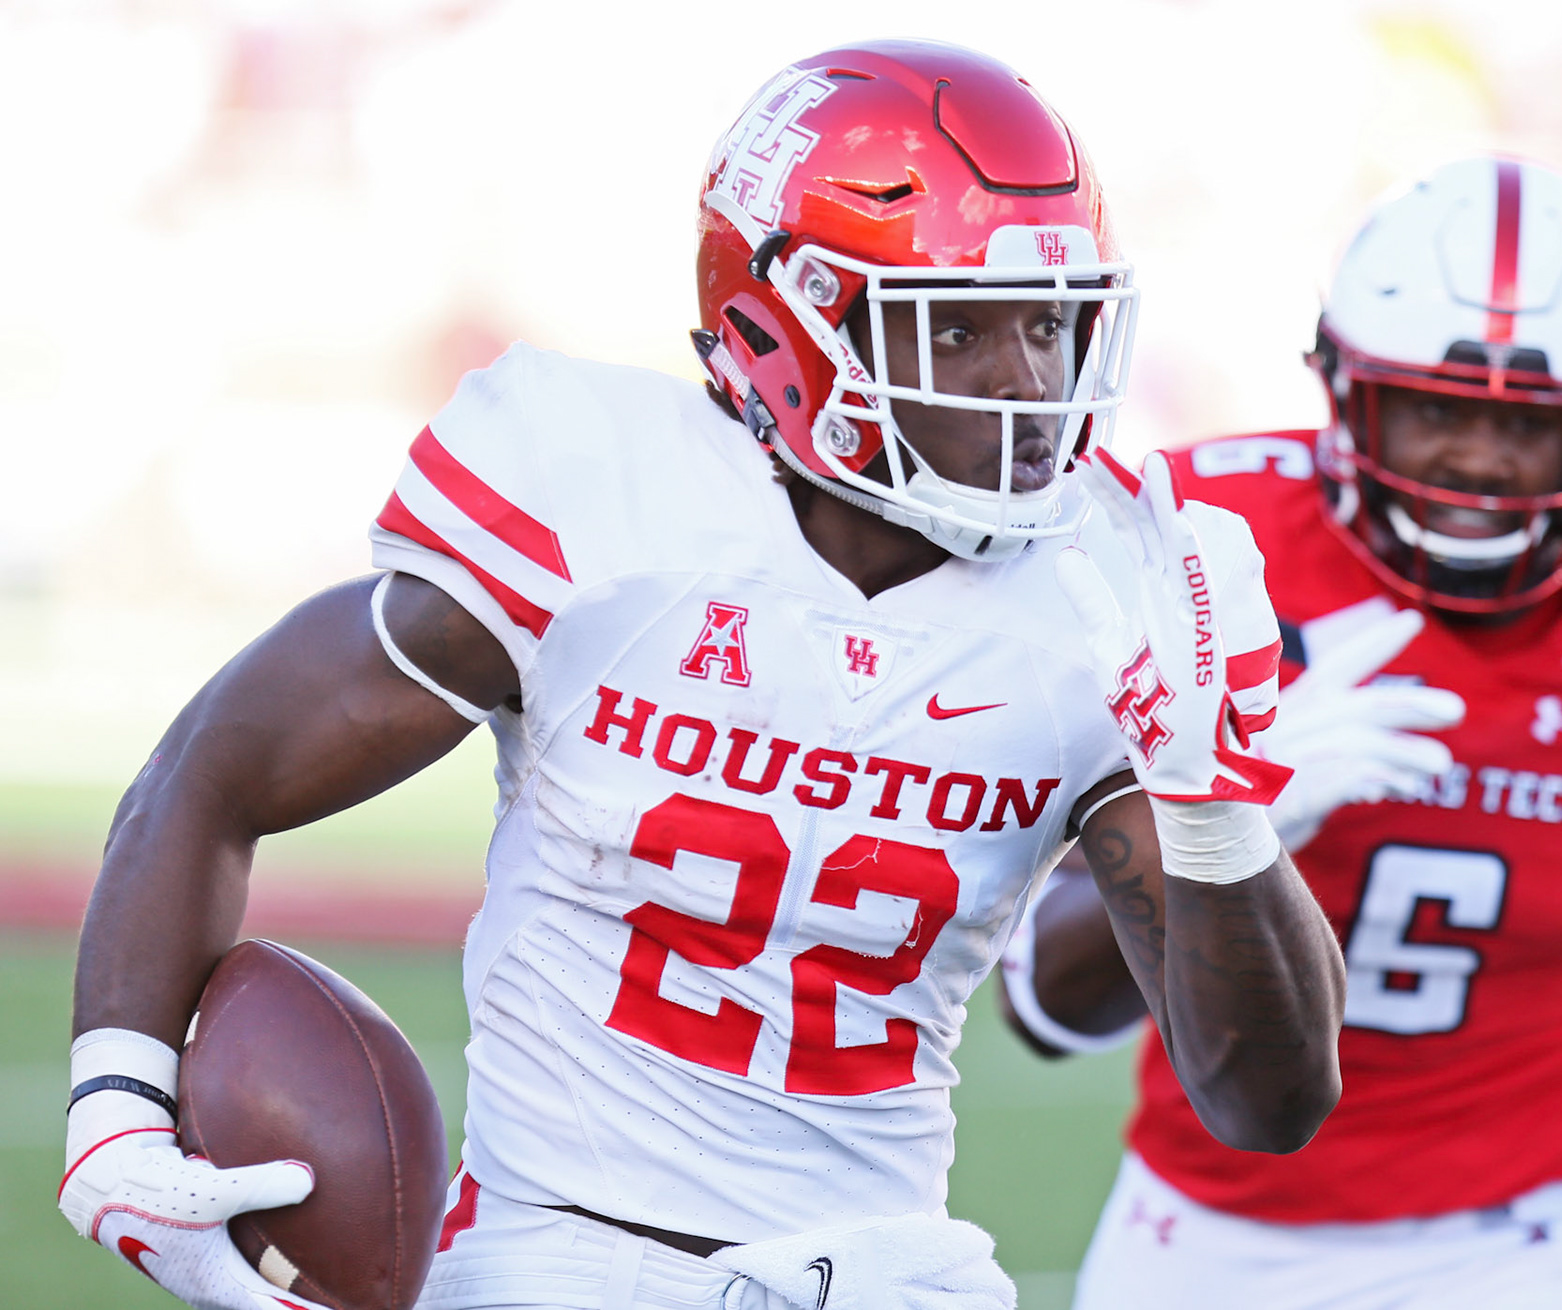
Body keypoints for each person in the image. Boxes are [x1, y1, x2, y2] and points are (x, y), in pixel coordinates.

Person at [56, 40, 1346, 1310]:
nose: (1029, 383)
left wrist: (1213, 800)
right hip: (550, 1251)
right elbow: (212, 772)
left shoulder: (1111, 585)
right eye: (958, 328)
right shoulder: (604, 501)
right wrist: (115, 1106)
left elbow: (1268, 1098)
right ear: (784, 324)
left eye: (1052, 326)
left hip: (885, 1263)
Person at [1002, 157, 1562, 1308]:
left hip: (1533, 1242)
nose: (1481, 461)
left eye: (1532, 425)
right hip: (1204, 1232)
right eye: (1436, 407)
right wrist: (1227, 818)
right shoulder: (1198, 560)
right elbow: (1044, 1003)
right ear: (1342, 389)